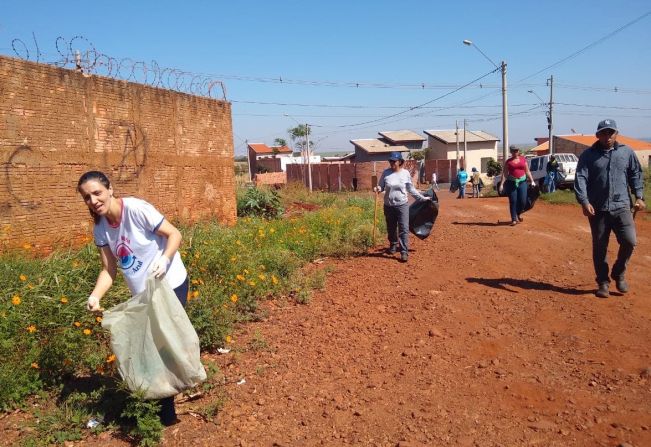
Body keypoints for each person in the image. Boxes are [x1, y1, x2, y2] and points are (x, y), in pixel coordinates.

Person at [77, 171, 189, 426]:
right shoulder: (101, 228)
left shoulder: (137, 209)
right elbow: (109, 269)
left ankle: (165, 415)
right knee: (155, 347)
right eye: (87, 197)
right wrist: (95, 295)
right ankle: (164, 400)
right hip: (143, 294)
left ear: (110, 189)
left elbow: (175, 234)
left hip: (171, 284)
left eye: (97, 193)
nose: (93, 201)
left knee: (160, 348)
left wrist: (164, 259)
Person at [574, 119, 645, 298]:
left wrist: (639, 196)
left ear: (616, 134)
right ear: (597, 135)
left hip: (622, 206)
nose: (607, 136)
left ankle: (619, 272)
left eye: (610, 133)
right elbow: (581, 178)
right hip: (597, 209)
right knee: (600, 247)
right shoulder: (588, 155)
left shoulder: (627, 152)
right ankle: (603, 282)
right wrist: (584, 201)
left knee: (630, 241)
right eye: (603, 133)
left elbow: (635, 174)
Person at [374, 152, 430, 263]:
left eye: (394, 161)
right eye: (390, 161)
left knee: (403, 228)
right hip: (388, 206)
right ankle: (393, 244)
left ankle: (404, 251)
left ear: (400, 162)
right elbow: (381, 186)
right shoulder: (386, 173)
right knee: (391, 228)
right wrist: (378, 188)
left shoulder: (405, 173)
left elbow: (411, 189)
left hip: (402, 205)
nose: (392, 163)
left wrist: (422, 198)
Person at [499, 146, 536, 226]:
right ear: (511, 152)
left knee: (523, 201)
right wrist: (501, 184)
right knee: (513, 201)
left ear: (518, 151)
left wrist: (532, 180)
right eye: (514, 151)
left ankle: (518, 213)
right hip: (511, 183)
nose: (515, 152)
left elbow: (527, 171)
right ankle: (514, 219)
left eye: (517, 151)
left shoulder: (523, 159)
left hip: (522, 182)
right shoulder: (508, 162)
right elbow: (505, 174)